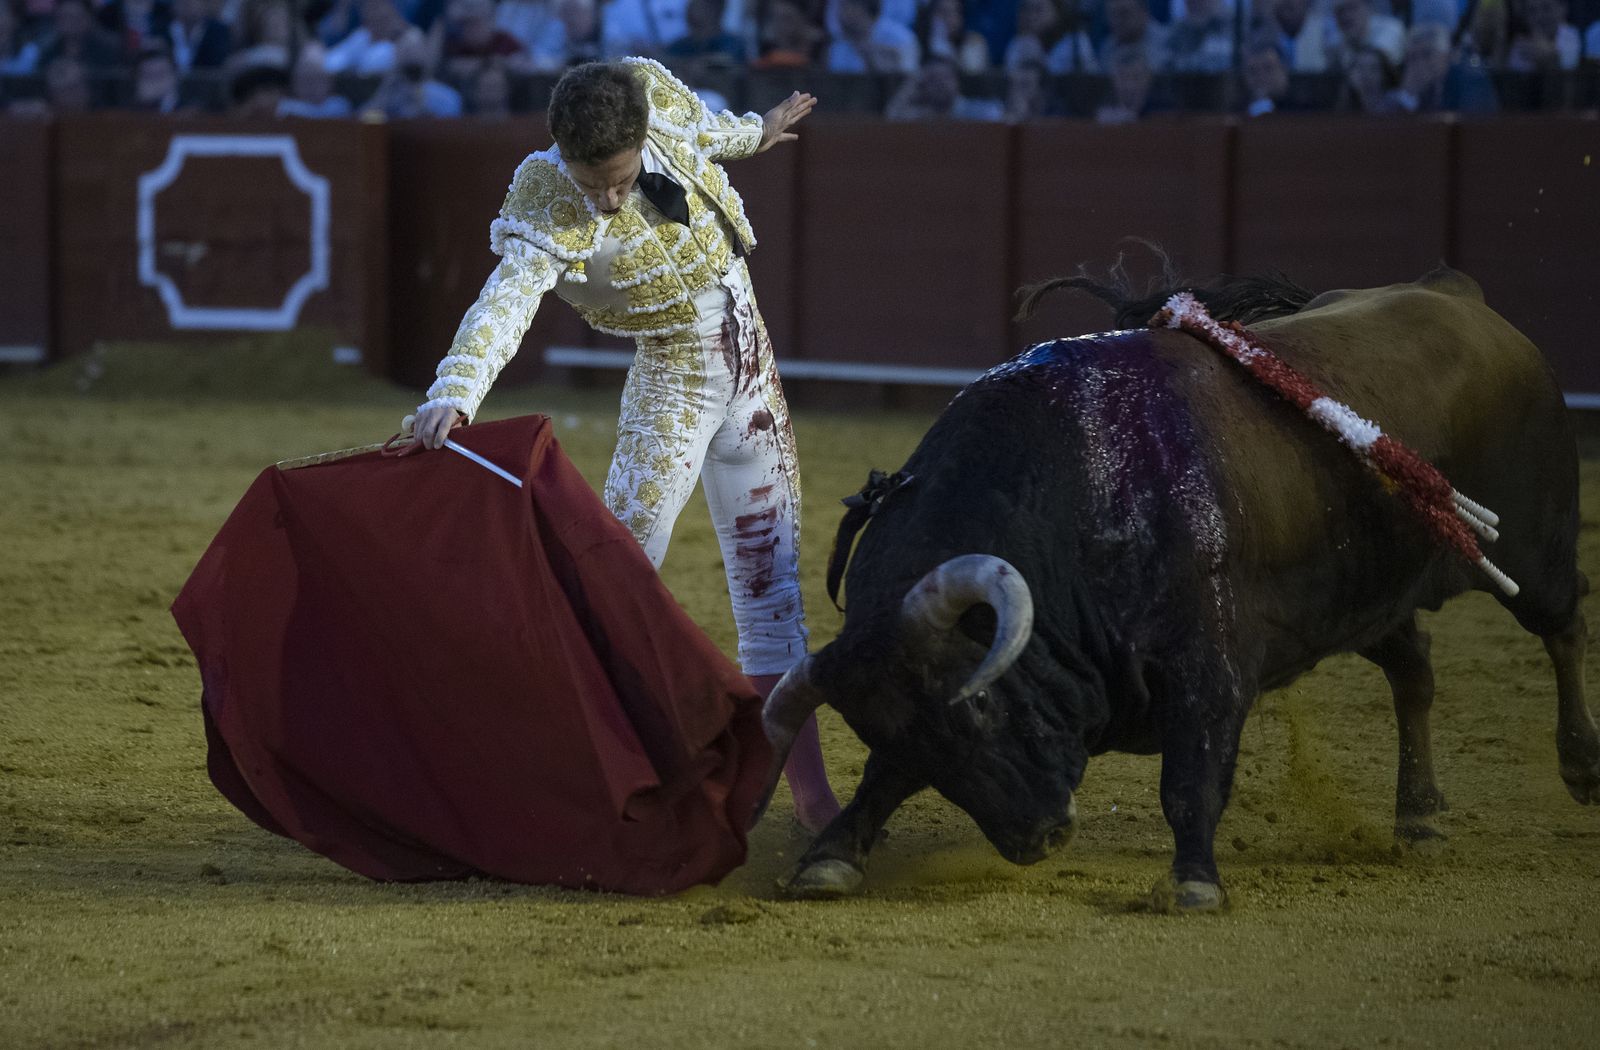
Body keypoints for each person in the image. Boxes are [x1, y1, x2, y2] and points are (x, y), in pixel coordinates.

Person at [408, 59, 842, 832]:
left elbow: (706, 130)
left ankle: (815, 804)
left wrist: (758, 130)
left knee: (774, 598)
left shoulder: (651, 94)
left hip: (753, 367)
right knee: (613, 583)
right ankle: (556, 781)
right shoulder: (544, 195)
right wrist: (455, 391)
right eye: (591, 183)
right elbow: (503, 304)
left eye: (617, 179)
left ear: (640, 136)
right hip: (673, 381)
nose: (607, 198)